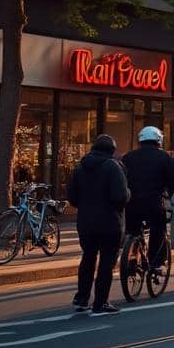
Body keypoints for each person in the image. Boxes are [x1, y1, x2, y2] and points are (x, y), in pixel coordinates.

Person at [68, 135, 130, 317]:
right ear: (111, 150)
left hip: (86, 221)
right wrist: (128, 194)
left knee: (87, 258)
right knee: (106, 263)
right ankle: (100, 302)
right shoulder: (113, 167)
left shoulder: (80, 168)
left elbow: (72, 197)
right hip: (110, 222)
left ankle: (81, 298)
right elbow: (120, 196)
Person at [120, 127, 174, 279]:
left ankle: (132, 256)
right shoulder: (164, 157)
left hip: (131, 204)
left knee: (133, 230)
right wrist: (172, 196)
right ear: (159, 140)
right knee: (158, 229)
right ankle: (156, 262)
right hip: (153, 203)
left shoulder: (128, 157)